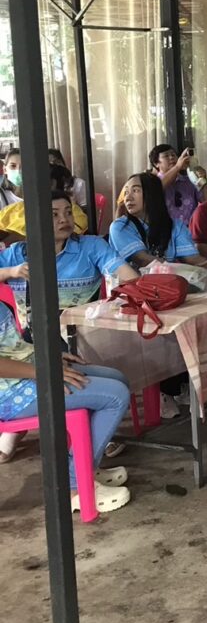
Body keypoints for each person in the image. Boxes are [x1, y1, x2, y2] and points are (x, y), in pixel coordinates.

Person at [0, 191, 138, 510]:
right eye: (53, 214)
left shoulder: (87, 246)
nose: (64, 220)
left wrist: (45, 358)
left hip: (28, 366)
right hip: (11, 390)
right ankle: (75, 485)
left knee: (116, 378)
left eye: (67, 212)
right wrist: (42, 370)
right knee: (114, 396)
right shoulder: (16, 259)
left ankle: (84, 466)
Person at [110, 172, 207, 274]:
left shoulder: (175, 226)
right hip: (130, 291)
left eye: (135, 190)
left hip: (166, 287)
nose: (128, 197)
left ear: (152, 194)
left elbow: (192, 258)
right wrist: (184, 272)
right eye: (126, 192)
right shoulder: (120, 227)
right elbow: (143, 260)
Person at [0, 163, 88, 240]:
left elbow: (69, 234)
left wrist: (19, 239)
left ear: (53, 184)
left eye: (40, 181)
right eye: (29, 182)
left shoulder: (70, 210)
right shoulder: (11, 210)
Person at [150, 143, 207, 226]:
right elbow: (156, 189)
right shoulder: (151, 181)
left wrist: (203, 179)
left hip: (189, 231)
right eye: (166, 156)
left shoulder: (189, 180)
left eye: (173, 155)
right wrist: (177, 167)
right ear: (156, 163)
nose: (171, 157)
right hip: (164, 231)